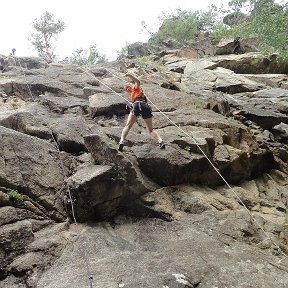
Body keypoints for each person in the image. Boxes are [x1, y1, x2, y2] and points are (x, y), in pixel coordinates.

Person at [118, 73, 165, 152]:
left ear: (130, 85)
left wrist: (129, 75)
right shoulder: (133, 93)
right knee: (150, 129)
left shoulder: (135, 88)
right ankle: (160, 141)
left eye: (127, 87)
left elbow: (138, 81)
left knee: (128, 126)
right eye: (126, 89)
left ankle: (121, 141)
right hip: (144, 107)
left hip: (138, 105)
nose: (127, 89)